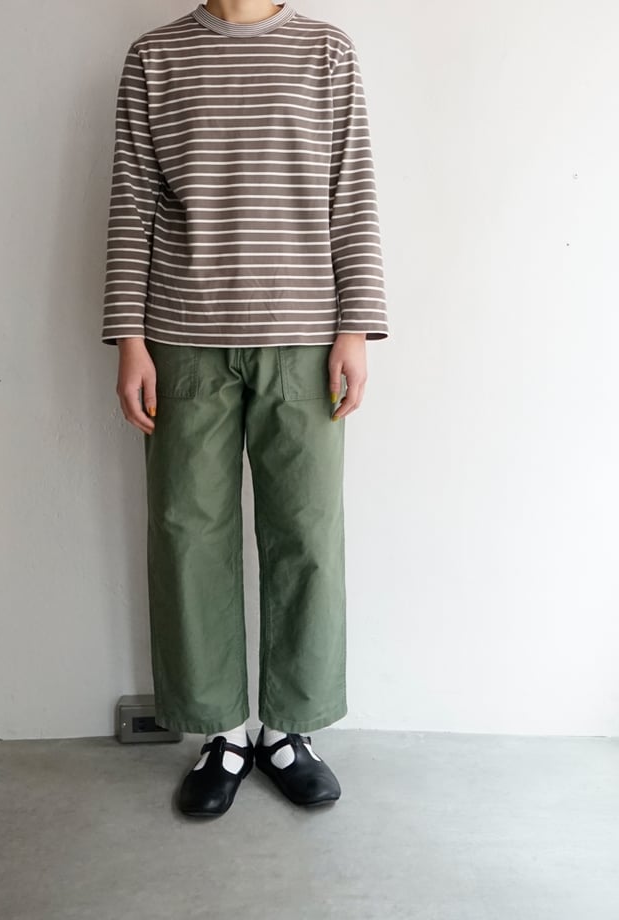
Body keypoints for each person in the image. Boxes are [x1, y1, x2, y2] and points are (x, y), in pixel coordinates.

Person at [102, 0, 389, 817]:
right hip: (182, 335)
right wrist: (129, 337)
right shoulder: (154, 57)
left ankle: (289, 730)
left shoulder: (327, 52)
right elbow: (132, 201)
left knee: (307, 531)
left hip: (304, 338)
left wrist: (355, 328)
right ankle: (222, 732)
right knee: (187, 531)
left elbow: (352, 193)